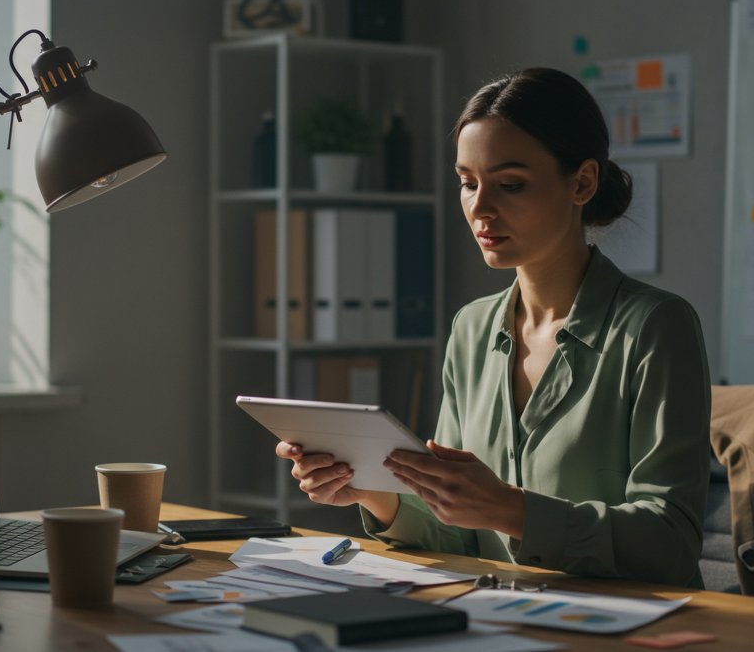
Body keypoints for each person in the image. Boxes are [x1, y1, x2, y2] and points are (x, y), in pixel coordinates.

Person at [277, 67, 710, 587]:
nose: (480, 208)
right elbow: (459, 534)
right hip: (498, 619)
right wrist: (368, 490)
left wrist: (511, 509)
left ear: (582, 182)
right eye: (467, 183)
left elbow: (670, 544)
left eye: (510, 184)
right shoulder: (473, 328)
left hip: (624, 628)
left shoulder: (656, 327)